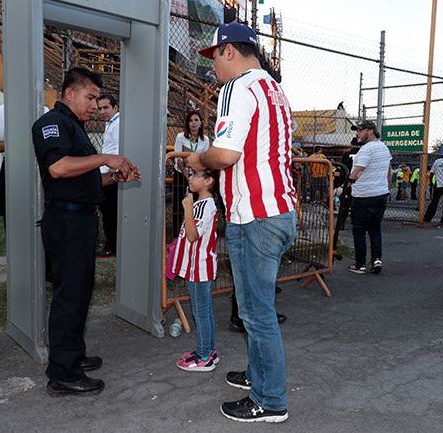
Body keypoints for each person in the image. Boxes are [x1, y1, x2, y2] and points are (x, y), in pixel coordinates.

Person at [187, 22, 296, 423]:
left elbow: (226, 154)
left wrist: (199, 159)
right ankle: (257, 375)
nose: (212, 65)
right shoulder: (273, 87)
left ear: (229, 51)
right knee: (256, 307)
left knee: (256, 312)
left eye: (213, 56)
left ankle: (270, 400)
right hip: (277, 210)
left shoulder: (238, 87)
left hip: (255, 216)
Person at [31, 67, 140, 397]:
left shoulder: (74, 128)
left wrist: (113, 176)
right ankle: (62, 371)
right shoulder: (51, 124)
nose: (95, 104)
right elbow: (58, 168)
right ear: (69, 94)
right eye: (89, 97)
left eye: (97, 98)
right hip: (66, 221)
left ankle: (73, 354)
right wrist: (105, 157)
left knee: (80, 292)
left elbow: (82, 178)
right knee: (69, 295)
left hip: (80, 219)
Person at [171, 168, 220, 372]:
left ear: (208, 180)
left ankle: (203, 356)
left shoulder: (202, 206)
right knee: (205, 310)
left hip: (198, 268)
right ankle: (208, 350)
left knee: (200, 312)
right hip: (197, 267)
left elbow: (192, 235)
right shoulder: (203, 203)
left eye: (194, 175)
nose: (189, 179)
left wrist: (188, 209)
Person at [347, 120, 392, 275]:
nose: (357, 133)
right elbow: (389, 171)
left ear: (370, 131)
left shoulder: (366, 149)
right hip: (380, 194)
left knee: (359, 230)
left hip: (364, 196)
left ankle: (360, 265)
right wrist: (387, 188)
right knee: (375, 229)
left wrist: (347, 183)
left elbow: (358, 170)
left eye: (360, 130)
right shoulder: (384, 148)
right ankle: (376, 260)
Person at [172, 110, 210, 234]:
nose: (193, 123)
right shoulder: (180, 137)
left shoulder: (205, 140)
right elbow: (178, 159)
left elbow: (204, 161)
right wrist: (187, 176)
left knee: (196, 203)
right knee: (178, 205)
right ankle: (176, 235)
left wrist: (195, 176)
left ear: (200, 123)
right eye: (190, 121)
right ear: (187, 124)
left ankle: (195, 232)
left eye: (196, 120)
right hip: (181, 174)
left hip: (197, 175)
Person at [97, 94, 120, 256]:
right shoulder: (111, 123)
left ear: (115, 107)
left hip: (111, 177)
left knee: (110, 213)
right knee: (108, 212)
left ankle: (112, 246)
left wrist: (112, 173)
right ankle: (111, 244)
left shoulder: (117, 124)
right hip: (107, 175)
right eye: (100, 108)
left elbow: (118, 150)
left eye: (106, 108)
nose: (102, 111)